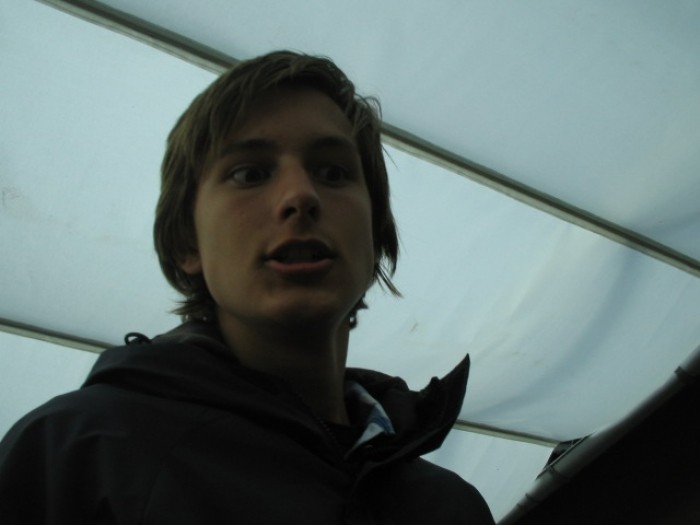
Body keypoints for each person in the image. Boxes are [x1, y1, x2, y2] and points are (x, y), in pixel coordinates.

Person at [0, 51, 495, 524]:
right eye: (249, 173)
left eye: (333, 172)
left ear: (374, 231)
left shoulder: (451, 509)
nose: (300, 195)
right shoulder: (71, 458)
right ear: (187, 243)